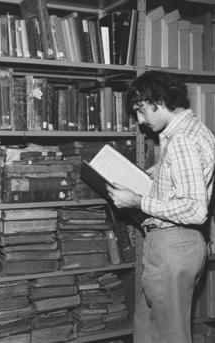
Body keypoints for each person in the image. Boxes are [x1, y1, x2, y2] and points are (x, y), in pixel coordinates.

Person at [106, 71, 215, 343]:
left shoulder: (181, 141)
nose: (141, 121)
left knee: (169, 336)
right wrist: (159, 172)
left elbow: (194, 208)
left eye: (141, 111)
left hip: (172, 245)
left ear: (159, 100)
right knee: (147, 328)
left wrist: (137, 201)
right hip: (177, 246)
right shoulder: (194, 129)